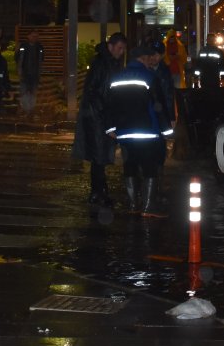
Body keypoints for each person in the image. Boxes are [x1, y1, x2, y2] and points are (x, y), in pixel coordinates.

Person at [105, 44, 172, 216]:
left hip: (125, 132)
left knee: (130, 166)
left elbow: (109, 104)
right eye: (148, 58)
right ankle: (149, 207)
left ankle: (133, 205)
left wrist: (111, 127)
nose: (151, 61)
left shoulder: (116, 78)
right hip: (147, 132)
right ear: (142, 59)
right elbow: (159, 105)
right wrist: (166, 131)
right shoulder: (150, 77)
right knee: (150, 167)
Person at [72, 32, 127, 208]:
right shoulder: (102, 64)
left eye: (123, 49)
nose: (121, 52)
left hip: (99, 116)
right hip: (97, 117)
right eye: (119, 48)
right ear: (110, 46)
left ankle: (99, 192)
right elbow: (96, 93)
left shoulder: (109, 63)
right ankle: (98, 193)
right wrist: (106, 121)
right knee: (99, 156)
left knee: (100, 157)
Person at [15, 29, 44, 115]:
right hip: (25, 73)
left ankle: (30, 109)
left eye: (36, 36)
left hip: (35, 74)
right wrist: (20, 70)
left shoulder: (39, 47)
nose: (34, 38)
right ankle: (25, 108)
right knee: (24, 91)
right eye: (33, 36)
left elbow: (41, 60)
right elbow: (17, 58)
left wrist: (39, 72)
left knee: (33, 92)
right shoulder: (23, 46)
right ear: (28, 36)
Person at [150, 41, 176, 127]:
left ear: (162, 56)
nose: (153, 57)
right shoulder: (142, 70)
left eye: (157, 54)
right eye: (151, 54)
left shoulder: (166, 72)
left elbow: (169, 95)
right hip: (145, 115)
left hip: (160, 115)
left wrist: (171, 118)